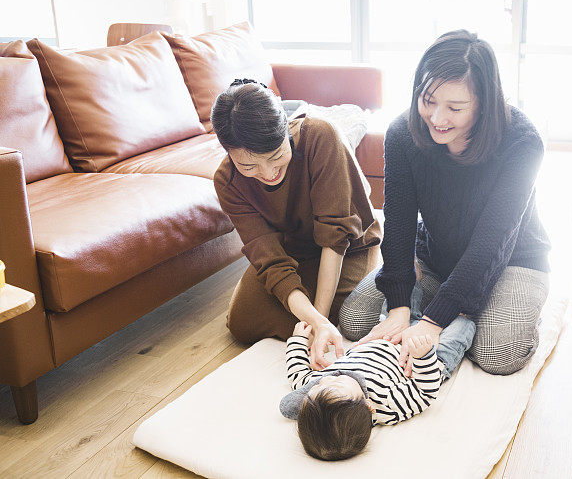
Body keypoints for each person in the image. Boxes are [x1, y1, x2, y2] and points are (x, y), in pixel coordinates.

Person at [339, 30, 551, 376]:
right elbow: (399, 223)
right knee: (354, 320)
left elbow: (492, 242)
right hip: (439, 258)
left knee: (498, 355)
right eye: (428, 101)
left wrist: (434, 321)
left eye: (455, 107)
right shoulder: (403, 134)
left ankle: (490, 308)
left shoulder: (522, 142)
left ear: (484, 102)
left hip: (512, 259)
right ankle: (464, 308)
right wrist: (398, 308)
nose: (437, 119)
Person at [212, 79, 381, 369]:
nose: (267, 173)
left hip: (346, 247)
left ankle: (366, 281)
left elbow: (334, 237)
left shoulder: (320, 137)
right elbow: (270, 259)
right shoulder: (227, 181)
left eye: (276, 156)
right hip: (292, 251)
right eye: (249, 166)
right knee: (241, 322)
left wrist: (320, 321)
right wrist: (316, 322)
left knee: (350, 318)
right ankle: (317, 309)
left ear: (286, 130)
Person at [280, 282, 476, 461]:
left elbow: (297, 374)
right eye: (337, 384)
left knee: (396, 299)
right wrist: (423, 357)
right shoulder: (387, 405)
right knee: (460, 330)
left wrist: (298, 341)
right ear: (368, 406)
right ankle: (463, 314)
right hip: (422, 354)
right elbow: (424, 392)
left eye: (317, 386)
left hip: (386, 335)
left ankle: (414, 279)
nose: (327, 378)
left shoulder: (318, 391)